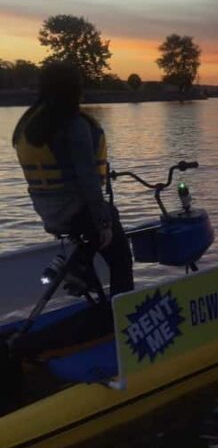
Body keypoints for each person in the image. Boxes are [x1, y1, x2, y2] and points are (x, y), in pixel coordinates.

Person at [12, 61, 133, 297]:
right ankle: (122, 321)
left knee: (95, 245)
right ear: (75, 89)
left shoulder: (29, 125)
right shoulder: (74, 124)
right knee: (121, 259)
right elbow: (88, 178)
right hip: (78, 213)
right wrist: (103, 223)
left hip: (49, 213)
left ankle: (82, 270)